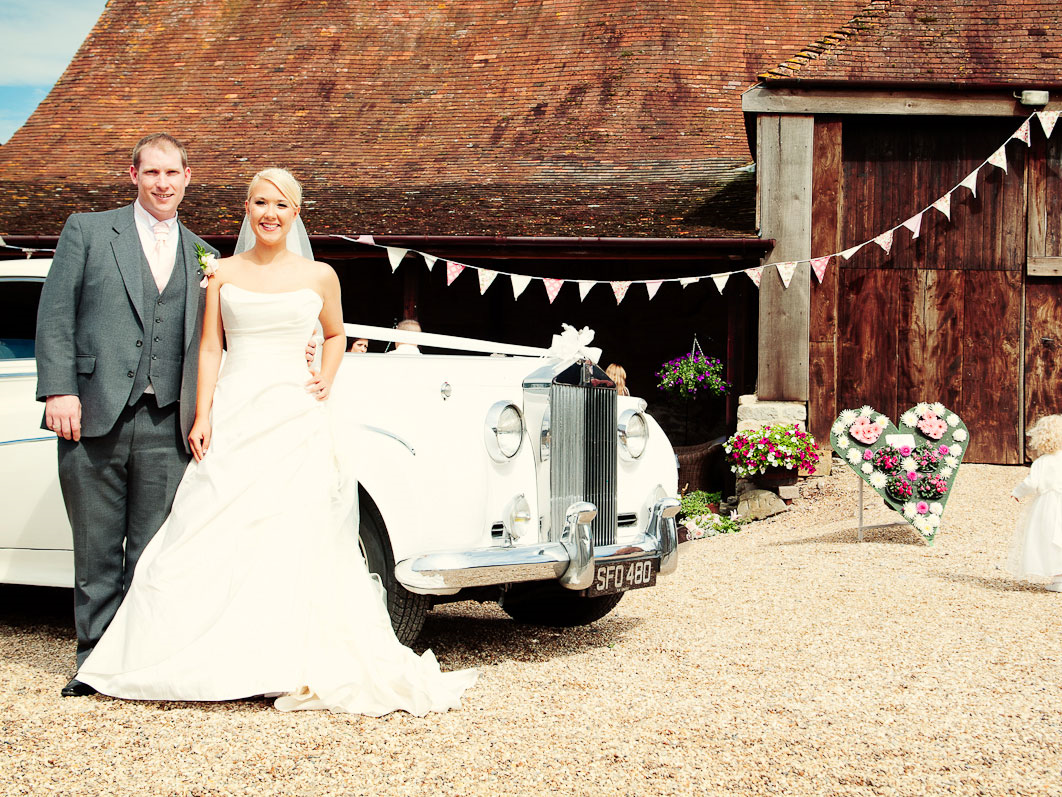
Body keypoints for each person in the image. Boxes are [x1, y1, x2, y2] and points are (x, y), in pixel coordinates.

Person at [76, 168, 477, 715]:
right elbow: (211, 348)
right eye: (261, 202)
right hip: (237, 412)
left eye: (282, 205)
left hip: (295, 414)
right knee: (213, 526)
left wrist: (326, 377)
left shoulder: (320, 276)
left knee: (294, 531)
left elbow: (335, 334)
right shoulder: (221, 271)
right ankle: (204, 655)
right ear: (247, 209)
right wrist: (202, 414)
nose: (270, 213)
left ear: (295, 214)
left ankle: (283, 657)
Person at [35, 134, 220, 698]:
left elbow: (219, 337)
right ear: (133, 174)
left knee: (152, 554)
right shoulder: (88, 230)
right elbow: (56, 314)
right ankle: (93, 664)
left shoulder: (203, 253)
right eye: (152, 172)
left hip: (169, 421)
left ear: (188, 177)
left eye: (173, 173)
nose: (163, 183)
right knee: (95, 550)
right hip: (91, 414)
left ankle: (139, 664)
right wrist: (59, 390)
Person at [1008, 415, 1062, 591]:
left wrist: (1017, 492)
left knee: (1049, 537)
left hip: (1048, 505)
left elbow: (1031, 483)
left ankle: (1058, 579)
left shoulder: (1042, 462)